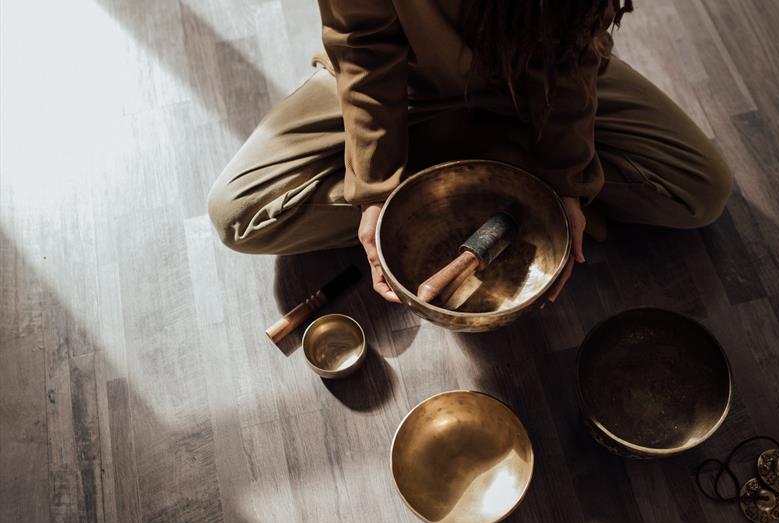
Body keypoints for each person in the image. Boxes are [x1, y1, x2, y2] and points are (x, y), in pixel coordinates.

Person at [207, 0, 732, 304]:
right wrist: (373, 192)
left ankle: (463, 169)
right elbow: (364, 46)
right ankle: (486, 169)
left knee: (698, 192)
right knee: (239, 215)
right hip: (405, 86)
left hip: (532, 84)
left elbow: (571, 53)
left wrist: (566, 178)